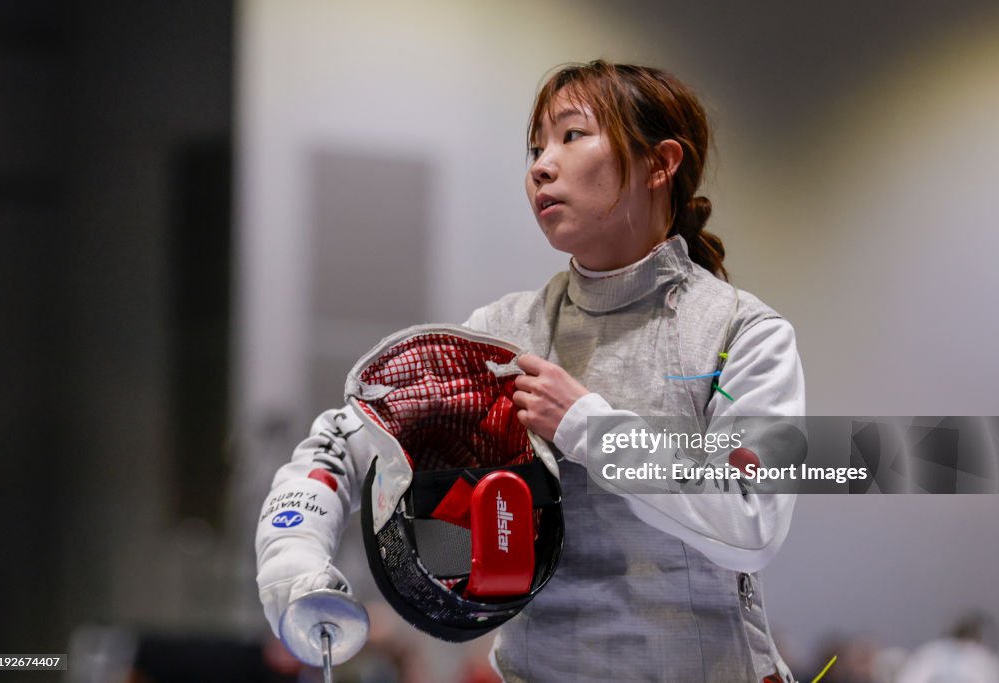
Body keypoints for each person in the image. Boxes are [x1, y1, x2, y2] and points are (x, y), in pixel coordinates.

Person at [256, 60, 805, 682]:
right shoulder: (506, 335)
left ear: (661, 163)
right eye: (536, 146)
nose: (541, 166)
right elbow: (342, 440)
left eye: (572, 136)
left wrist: (585, 426)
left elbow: (752, 521)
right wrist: (290, 557)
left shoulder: (740, 336)